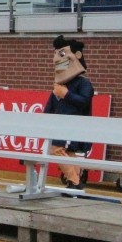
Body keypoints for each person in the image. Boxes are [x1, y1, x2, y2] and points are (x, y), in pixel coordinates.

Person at [44, 35, 94, 190]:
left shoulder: (83, 83)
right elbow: (50, 106)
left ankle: (74, 182)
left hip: (72, 125)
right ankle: (76, 181)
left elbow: (84, 102)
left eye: (62, 54)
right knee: (69, 154)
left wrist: (66, 94)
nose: (56, 59)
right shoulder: (59, 84)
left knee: (57, 150)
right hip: (59, 125)